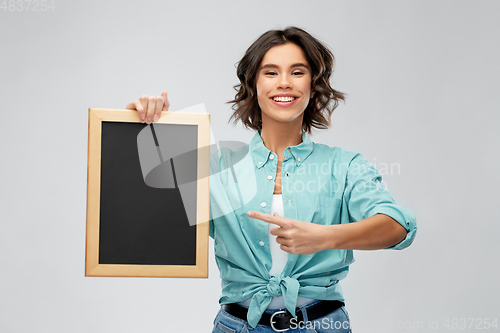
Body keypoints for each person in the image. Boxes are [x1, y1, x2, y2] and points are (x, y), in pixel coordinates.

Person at [126, 26, 417, 333]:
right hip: (236, 326)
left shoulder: (344, 165)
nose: (284, 83)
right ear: (252, 83)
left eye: (297, 72)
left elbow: (399, 226)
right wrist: (152, 127)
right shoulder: (216, 166)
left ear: (313, 84)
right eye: (270, 72)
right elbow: (147, 209)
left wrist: (325, 237)